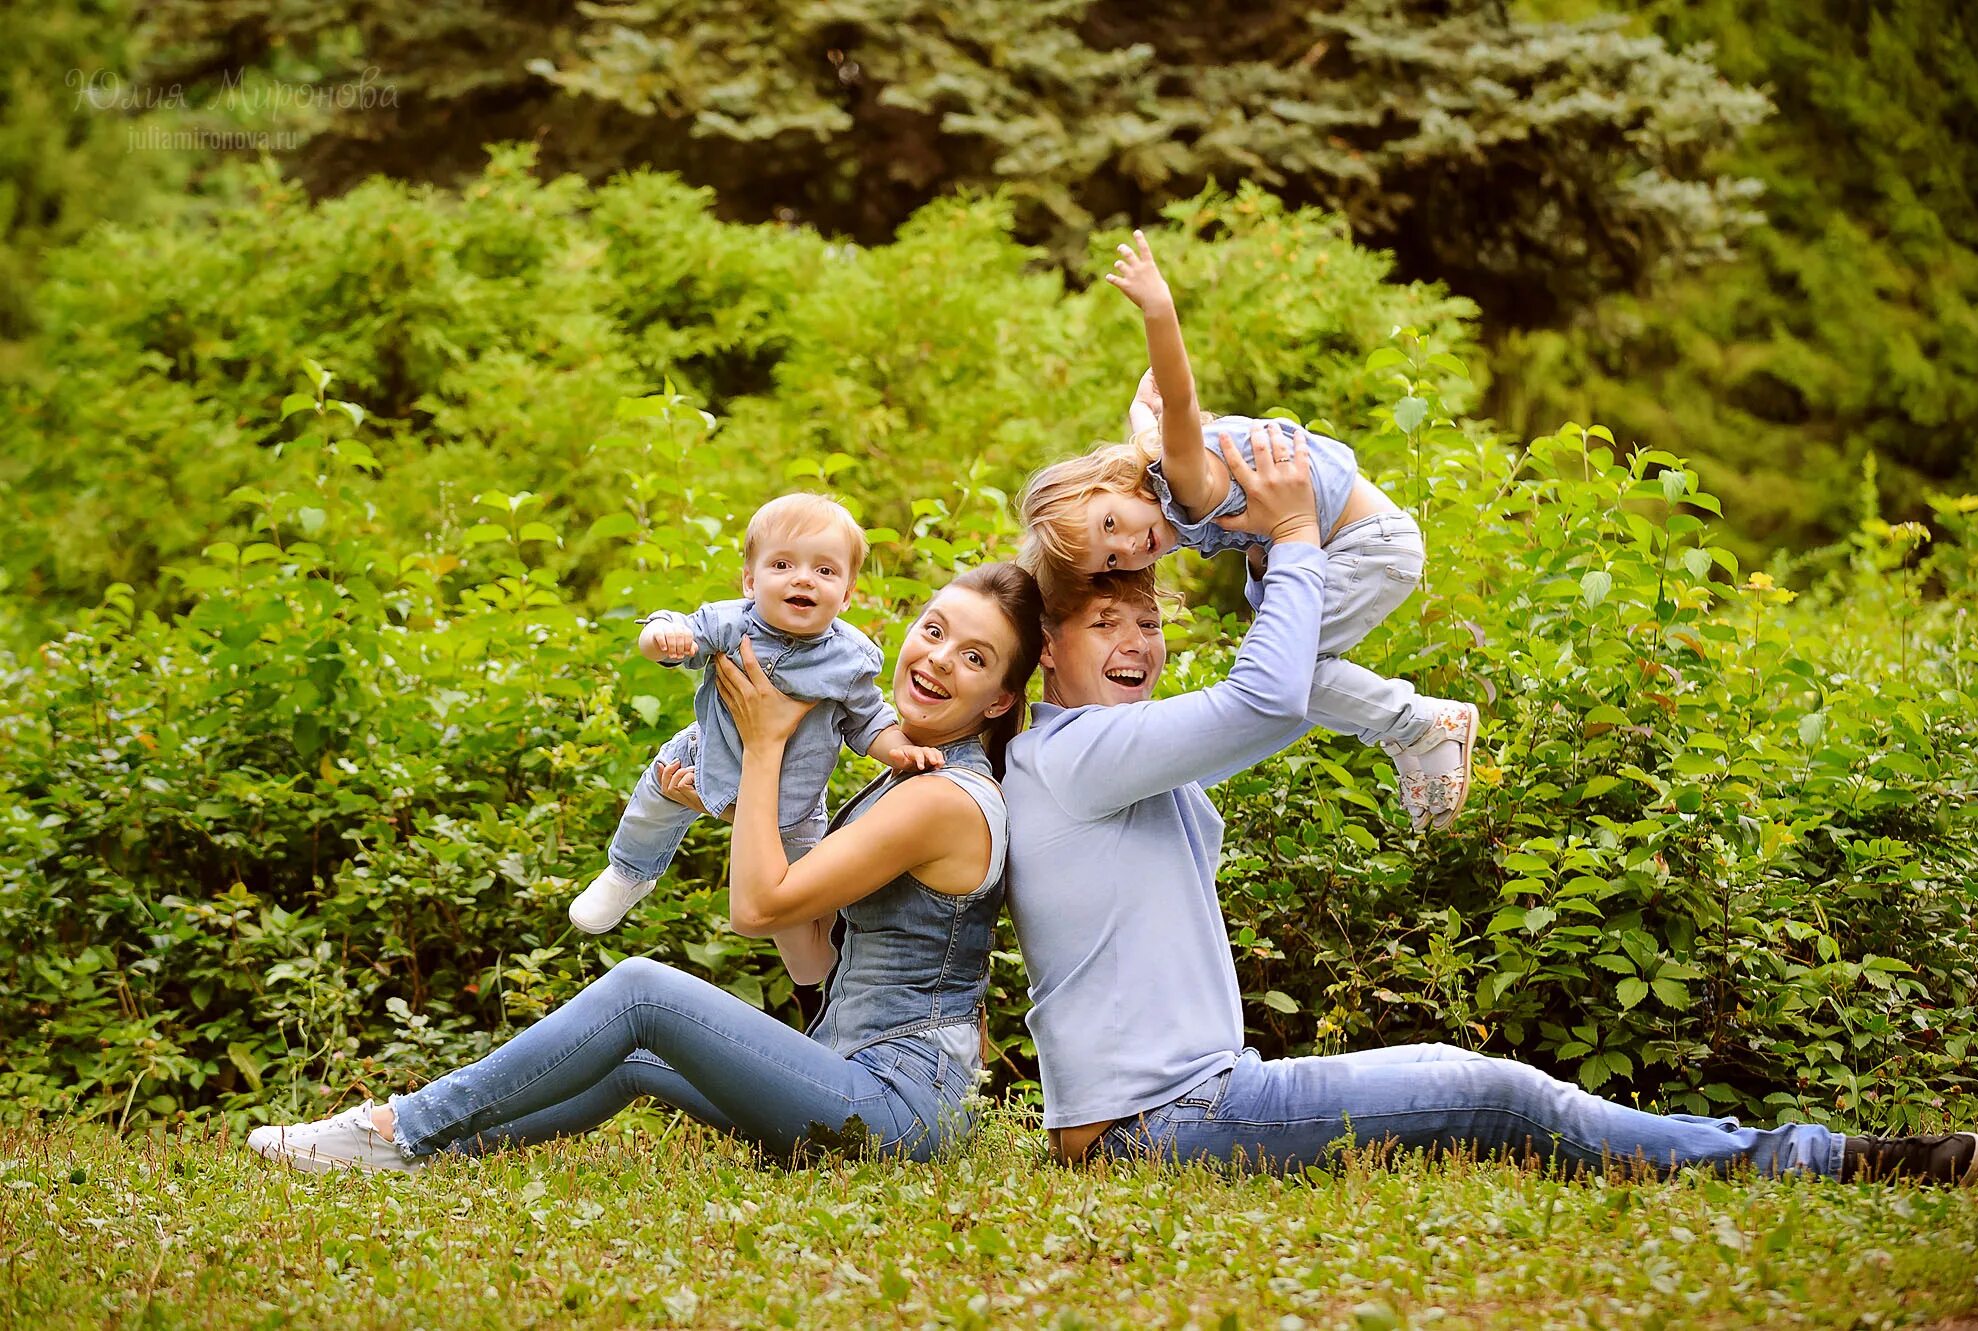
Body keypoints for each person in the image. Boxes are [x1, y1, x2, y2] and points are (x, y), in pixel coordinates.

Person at [1004, 427, 1978, 1185]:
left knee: (1472, 1084)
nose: (1136, 642)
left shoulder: (1108, 748)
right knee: (1485, 1085)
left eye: (1147, 620)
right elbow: (1267, 695)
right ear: (1047, 648)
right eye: (1103, 623)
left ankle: (1808, 1151)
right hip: (1160, 1121)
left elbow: (1272, 694)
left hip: (1179, 1101)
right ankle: (1816, 1157)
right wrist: (1297, 533)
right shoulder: (1078, 752)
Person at [248, 563, 1044, 1172]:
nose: (937, 660)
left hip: (896, 1109)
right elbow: (811, 951)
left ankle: (398, 1124)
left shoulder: (943, 798)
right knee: (637, 1059)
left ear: (1002, 699)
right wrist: (737, 796)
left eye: (975, 656)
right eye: (934, 630)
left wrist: (765, 744)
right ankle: (416, 1150)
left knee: (640, 989)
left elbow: (756, 908)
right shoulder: (909, 770)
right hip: (847, 1074)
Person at [1017, 230, 1475, 831]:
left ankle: (1418, 723)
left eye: (1111, 524)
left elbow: (1179, 403)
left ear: (1116, 479)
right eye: (1110, 561)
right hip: (1352, 546)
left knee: (1289, 673)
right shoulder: (1155, 467)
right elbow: (1155, 423)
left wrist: (1159, 311)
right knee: (1287, 670)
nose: (1128, 548)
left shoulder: (1184, 479)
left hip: (1366, 548)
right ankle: (1412, 728)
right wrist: (1141, 412)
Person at [571, 492, 945, 936]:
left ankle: (837, 947)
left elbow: (868, 722)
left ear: (846, 595)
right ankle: (629, 873)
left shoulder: (850, 658)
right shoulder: (731, 623)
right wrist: (662, 636)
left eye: (824, 570)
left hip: (794, 802)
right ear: (750, 581)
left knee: (805, 908)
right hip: (707, 757)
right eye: (782, 565)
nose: (803, 580)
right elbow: (673, 632)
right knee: (656, 796)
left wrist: (902, 750)